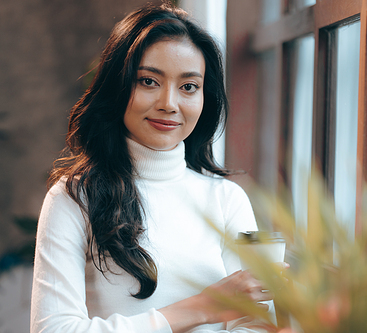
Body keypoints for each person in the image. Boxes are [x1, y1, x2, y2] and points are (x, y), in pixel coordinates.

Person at [30, 4, 277, 333]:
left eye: (188, 87)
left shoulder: (227, 199)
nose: (169, 104)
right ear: (118, 87)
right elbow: (53, 330)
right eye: (148, 81)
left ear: (206, 99)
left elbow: (256, 323)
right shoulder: (73, 199)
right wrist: (202, 307)